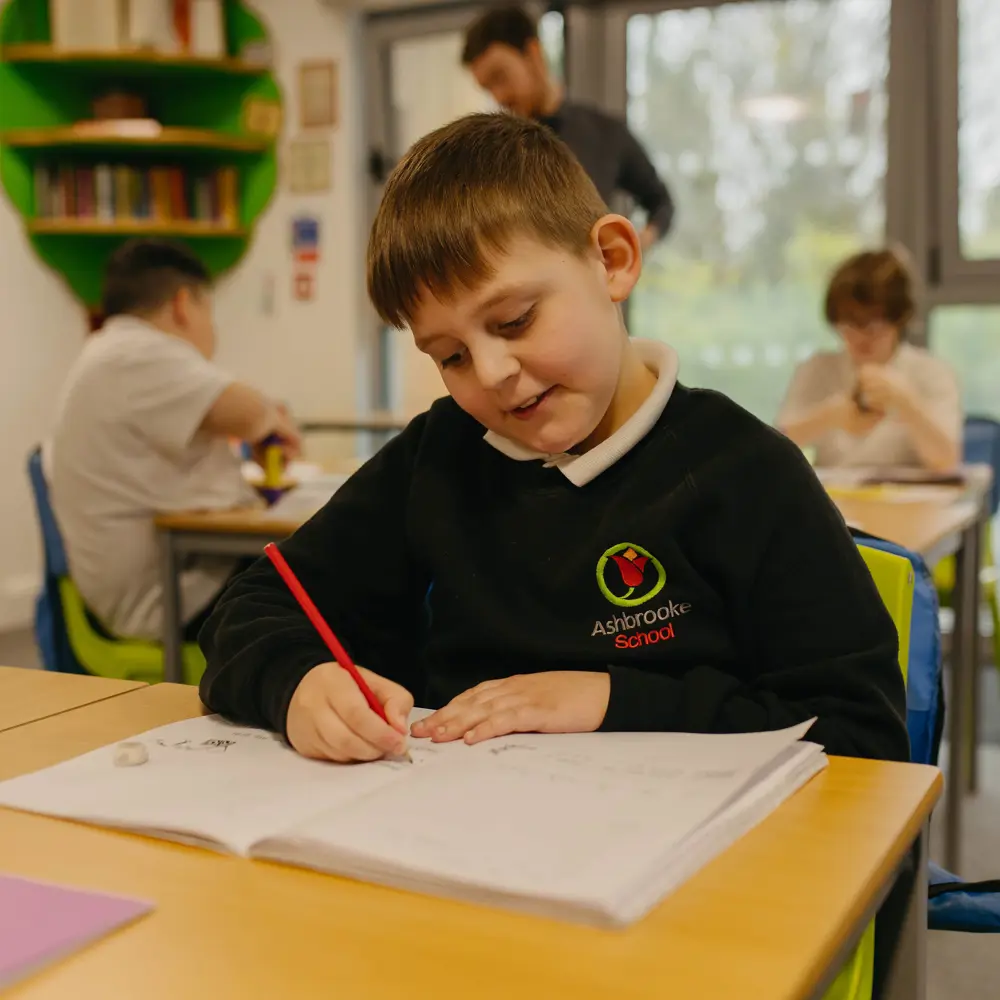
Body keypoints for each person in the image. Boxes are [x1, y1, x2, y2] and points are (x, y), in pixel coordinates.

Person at [199, 113, 907, 776]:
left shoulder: (745, 473)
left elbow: (862, 739)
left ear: (612, 260)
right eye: (449, 357)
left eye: (513, 321)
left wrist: (608, 700)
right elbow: (251, 607)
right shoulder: (438, 458)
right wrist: (297, 682)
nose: (492, 375)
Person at [50, 238, 301, 643]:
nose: (212, 330)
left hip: (167, 578)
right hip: (167, 597)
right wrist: (274, 422)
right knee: (345, 581)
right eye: (210, 312)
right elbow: (249, 411)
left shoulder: (108, 352)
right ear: (184, 304)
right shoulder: (137, 352)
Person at [461, 5, 673, 250]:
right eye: (487, 88)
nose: (498, 97)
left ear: (533, 55)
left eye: (500, 76)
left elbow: (661, 202)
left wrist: (638, 241)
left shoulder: (606, 132)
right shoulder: (498, 152)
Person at [777, 249, 961, 471]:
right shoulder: (817, 368)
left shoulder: (931, 371)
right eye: (848, 324)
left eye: (873, 325)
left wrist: (908, 404)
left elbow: (947, 460)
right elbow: (774, 447)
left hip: (908, 503)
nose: (860, 337)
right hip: (833, 501)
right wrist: (829, 416)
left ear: (899, 319)